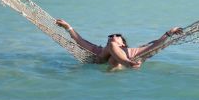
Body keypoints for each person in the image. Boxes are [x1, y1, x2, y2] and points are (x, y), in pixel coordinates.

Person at [55, 19, 183, 69]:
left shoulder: (132, 51)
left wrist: (169, 33)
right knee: (111, 49)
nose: (113, 37)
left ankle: (122, 63)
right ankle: (126, 63)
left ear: (123, 43)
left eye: (117, 35)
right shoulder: (100, 50)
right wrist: (68, 27)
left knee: (113, 59)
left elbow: (155, 45)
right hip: (111, 63)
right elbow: (80, 40)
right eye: (110, 36)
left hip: (115, 67)